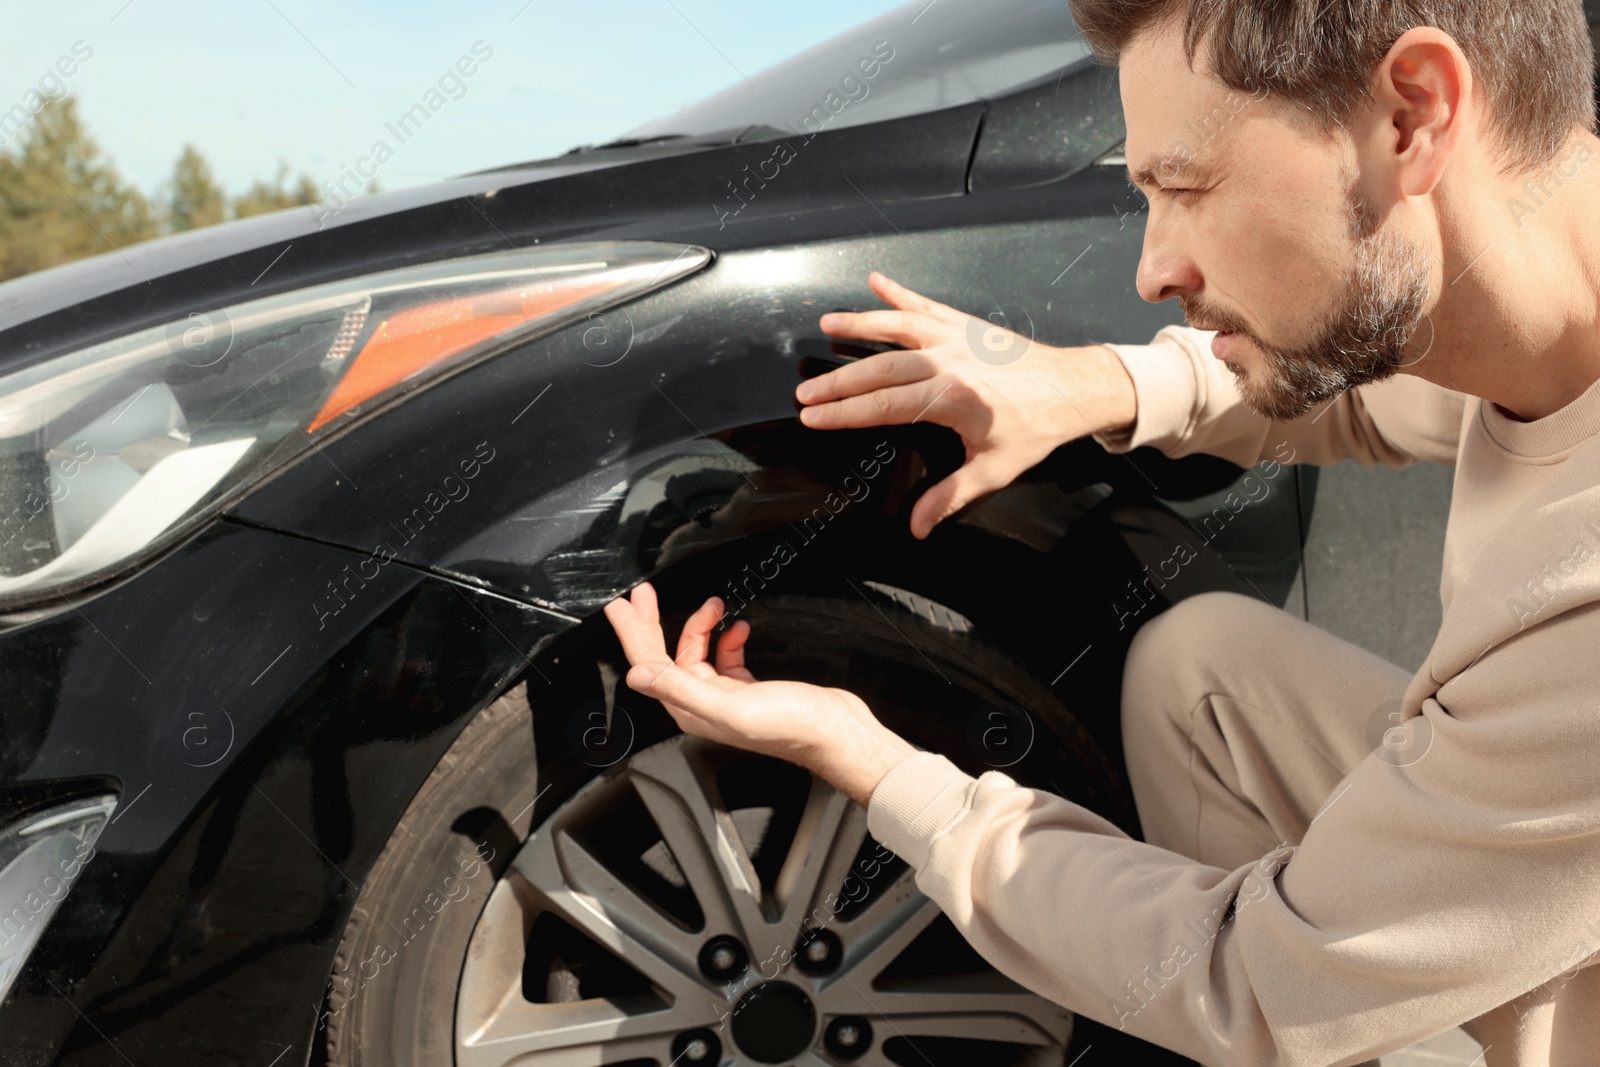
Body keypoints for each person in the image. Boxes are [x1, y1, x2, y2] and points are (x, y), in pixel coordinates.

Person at [603, 2, 1600, 1063]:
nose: (1152, 269)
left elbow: (1253, 979)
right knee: (1202, 679)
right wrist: (1087, 384)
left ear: (1411, 116)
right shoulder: (1539, 296)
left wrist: (876, 764)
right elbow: (1363, 394)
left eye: (1187, 186)